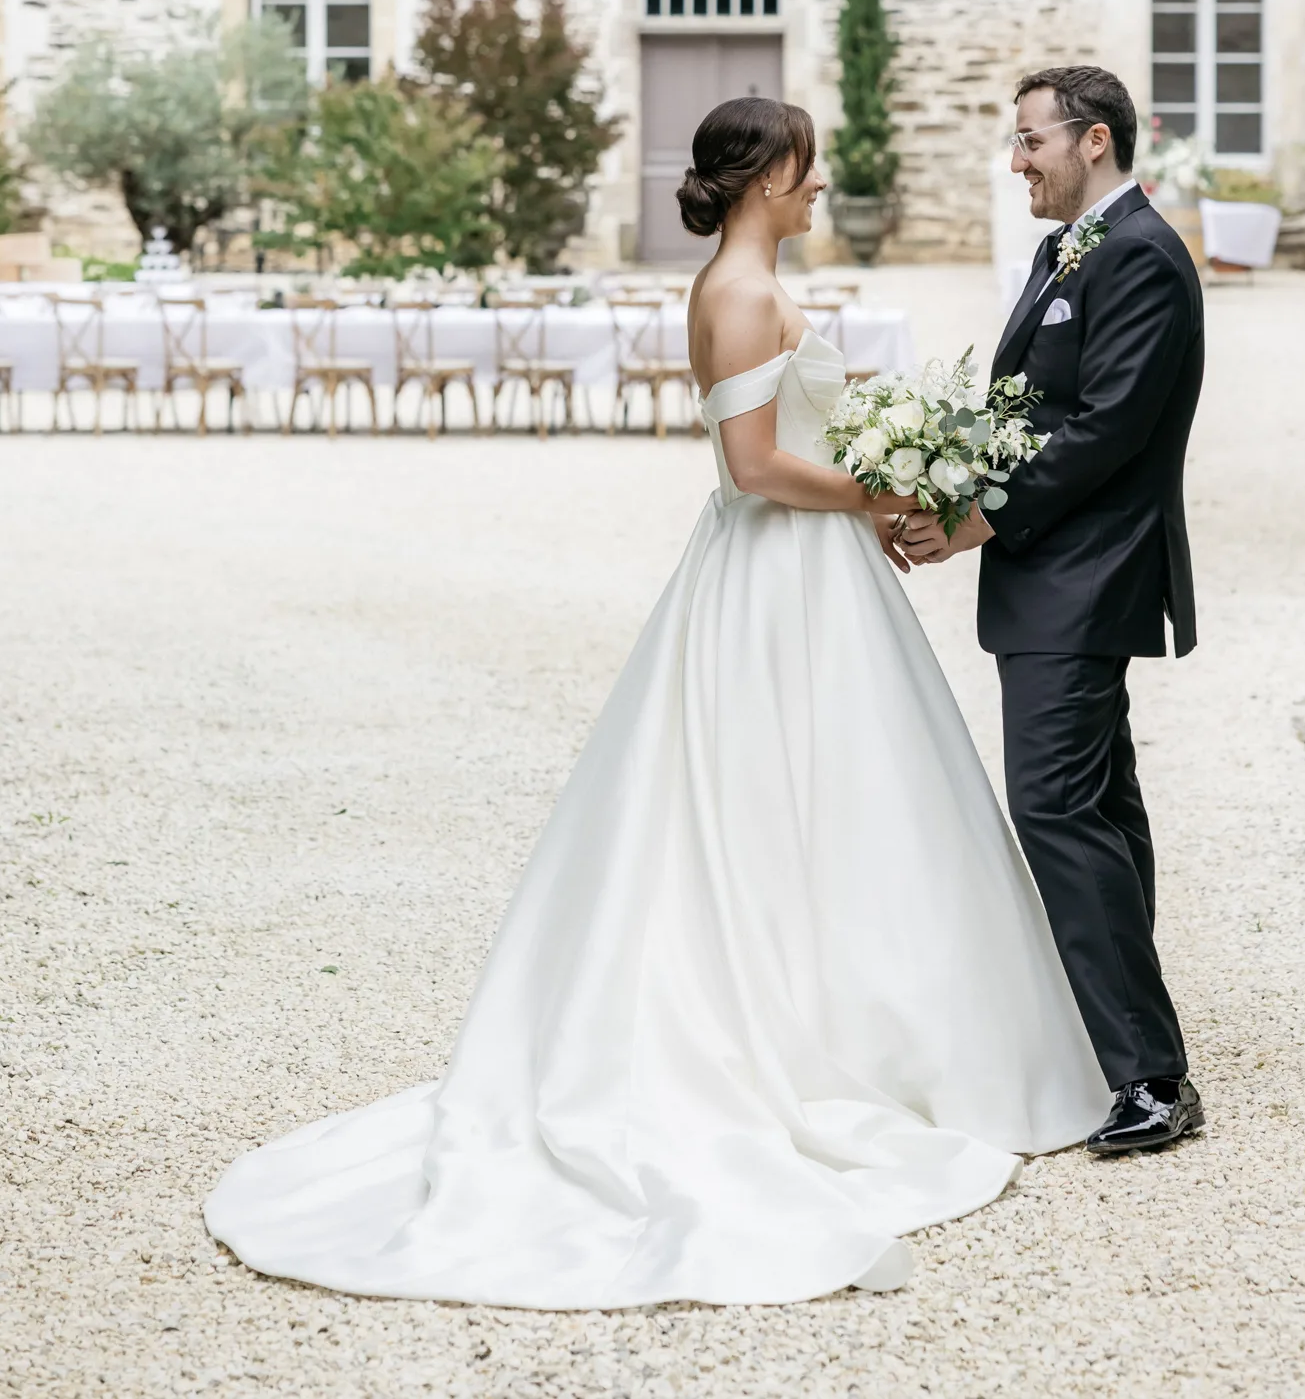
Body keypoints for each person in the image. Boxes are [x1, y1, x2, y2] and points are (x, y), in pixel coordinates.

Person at [205, 95, 1110, 1309]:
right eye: (807, 168)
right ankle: (785, 1038)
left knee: (843, 800)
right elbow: (753, 467)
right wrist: (875, 492)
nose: (820, 184)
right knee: (758, 799)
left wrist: (882, 482)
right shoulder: (736, 291)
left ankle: (872, 1028)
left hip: (813, 575)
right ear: (764, 176)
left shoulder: (756, 282)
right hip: (774, 575)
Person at [896, 65, 1205, 1156]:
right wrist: (938, 472)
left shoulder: (1142, 257)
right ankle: (1115, 1029)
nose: (1015, 159)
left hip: (1090, 572)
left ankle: (1151, 1077)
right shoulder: (1065, 249)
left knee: (1055, 808)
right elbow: (1031, 409)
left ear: (1095, 140)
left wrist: (980, 518)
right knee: (1100, 803)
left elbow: (1108, 426)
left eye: (1031, 140)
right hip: (1055, 573)